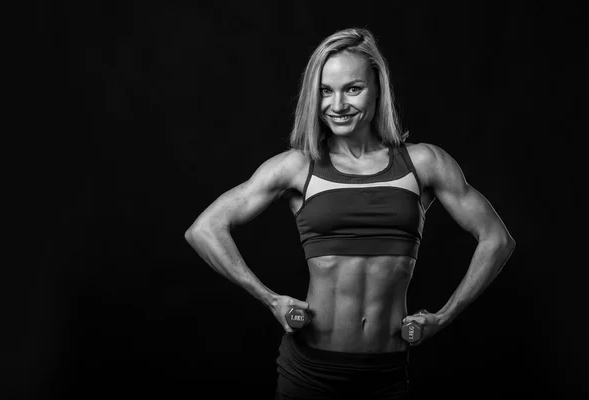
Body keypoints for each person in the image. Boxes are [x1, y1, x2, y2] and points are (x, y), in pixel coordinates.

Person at [185, 27, 515, 400]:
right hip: (308, 372)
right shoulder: (298, 166)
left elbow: (497, 239)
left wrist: (444, 317)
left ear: (378, 89)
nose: (337, 105)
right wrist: (270, 299)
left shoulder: (422, 163)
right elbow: (205, 229)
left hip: (386, 375)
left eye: (352, 89)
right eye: (326, 91)